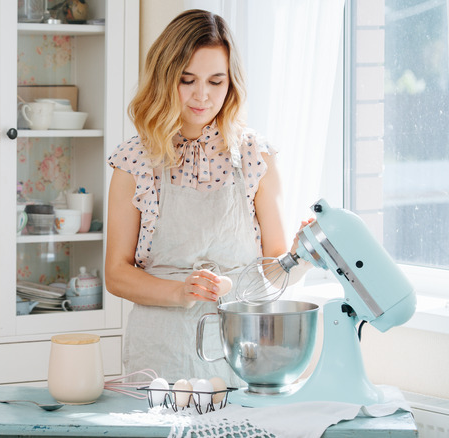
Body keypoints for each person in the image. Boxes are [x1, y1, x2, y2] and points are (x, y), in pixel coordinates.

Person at [105, 9, 312, 385]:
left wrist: (304, 254)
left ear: (230, 84)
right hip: (159, 360)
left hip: (242, 355)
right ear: (165, 78)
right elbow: (116, 275)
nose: (202, 96)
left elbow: (273, 269)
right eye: (187, 80)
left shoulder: (255, 156)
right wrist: (179, 291)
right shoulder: (134, 160)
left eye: (216, 82)